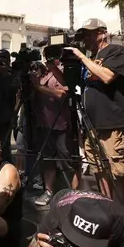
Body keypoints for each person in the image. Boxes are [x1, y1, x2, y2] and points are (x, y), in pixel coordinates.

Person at [65, 18, 124, 205]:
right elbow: (70, 85)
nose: (85, 39)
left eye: (89, 34)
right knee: (98, 169)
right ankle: (107, 207)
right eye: (83, 35)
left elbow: (107, 76)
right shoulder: (89, 59)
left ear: (102, 33)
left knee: (116, 169)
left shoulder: (116, 51)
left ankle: (120, 213)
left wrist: (81, 56)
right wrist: (51, 65)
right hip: (92, 124)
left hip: (113, 122)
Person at [32, 60, 80, 206]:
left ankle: (73, 194)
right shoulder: (44, 73)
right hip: (44, 123)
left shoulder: (62, 71)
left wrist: (38, 87)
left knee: (66, 161)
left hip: (60, 124)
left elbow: (62, 93)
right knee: (47, 161)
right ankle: (48, 191)